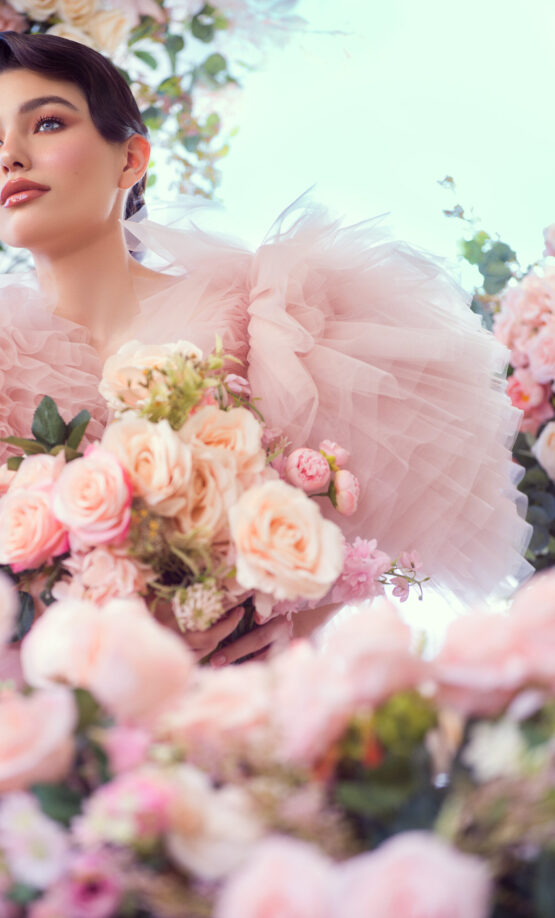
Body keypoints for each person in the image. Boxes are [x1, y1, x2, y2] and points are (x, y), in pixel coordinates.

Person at [0, 32, 531, 662]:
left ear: (131, 158)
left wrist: (283, 628)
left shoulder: (278, 314)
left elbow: (364, 537)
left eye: (48, 123)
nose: (10, 156)